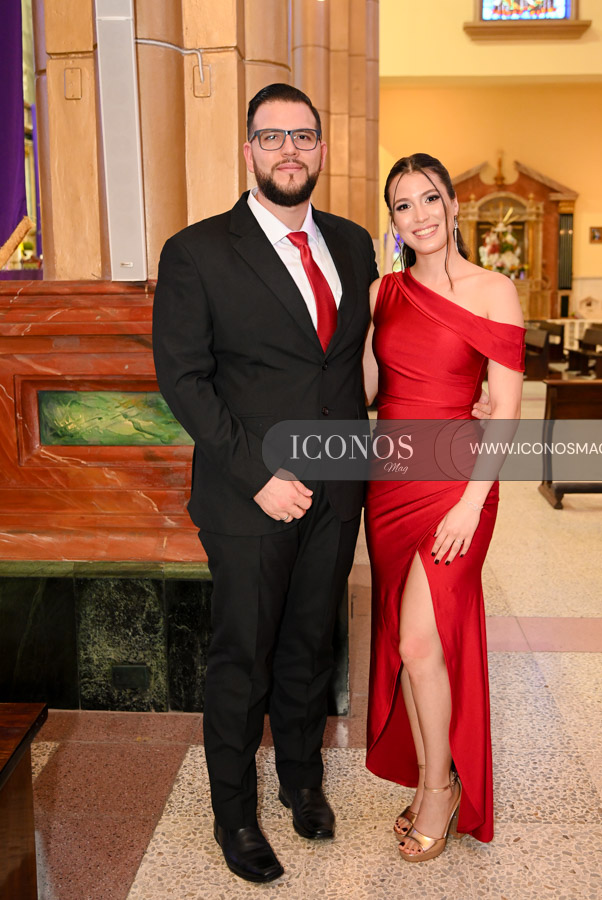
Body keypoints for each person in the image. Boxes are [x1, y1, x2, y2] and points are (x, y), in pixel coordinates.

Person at [152, 83, 378, 884]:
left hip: (336, 484)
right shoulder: (198, 250)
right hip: (249, 493)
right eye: (272, 136)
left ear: (322, 148)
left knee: (310, 642)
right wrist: (258, 475)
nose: (290, 150)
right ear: (248, 150)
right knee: (242, 655)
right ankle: (234, 813)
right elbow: (184, 380)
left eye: (304, 136)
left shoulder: (353, 245)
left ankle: (301, 782)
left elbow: (350, 364)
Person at [362, 153, 525, 861]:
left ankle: (437, 788)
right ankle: (438, 774)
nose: (419, 215)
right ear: (392, 219)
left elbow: (507, 411)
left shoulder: (493, 290)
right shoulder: (381, 290)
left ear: (454, 206)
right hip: (391, 479)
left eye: (430, 199)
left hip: (458, 484)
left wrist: (471, 503)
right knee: (409, 647)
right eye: (403, 205)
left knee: (419, 643)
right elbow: (364, 383)